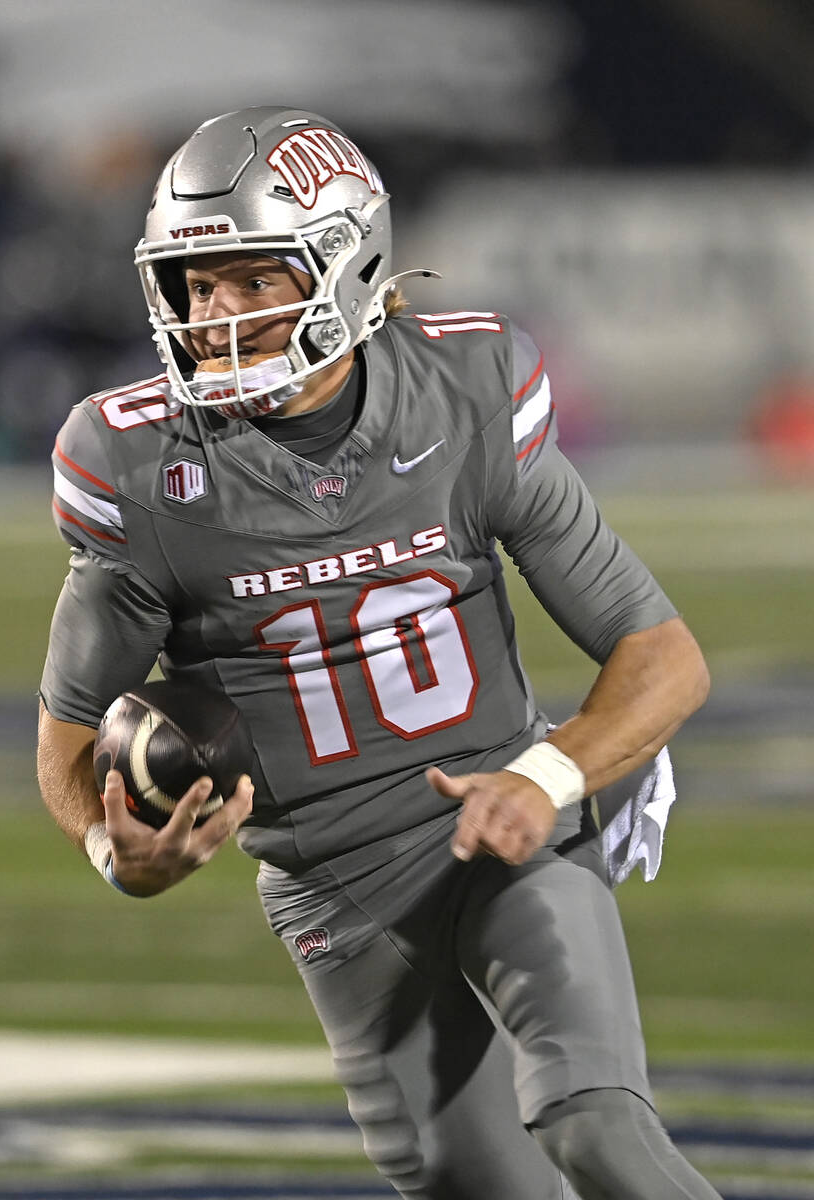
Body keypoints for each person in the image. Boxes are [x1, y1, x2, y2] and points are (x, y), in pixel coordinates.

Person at [37, 107, 719, 1200]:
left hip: (503, 840)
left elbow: (661, 654)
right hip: (333, 895)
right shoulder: (134, 462)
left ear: (345, 266)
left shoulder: (464, 392)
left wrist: (548, 778)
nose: (214, 317)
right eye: (194, 285)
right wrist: (113, 853)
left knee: (597, 1134)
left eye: (252, 279)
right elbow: (69, 735)